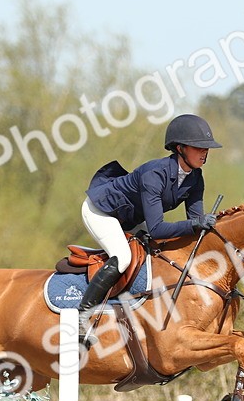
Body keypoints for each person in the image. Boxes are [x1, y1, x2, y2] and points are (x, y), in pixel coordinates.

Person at [76, 114, 222, 341]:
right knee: (123, 257)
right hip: (101, 211)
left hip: (130, 218)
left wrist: (207, 229)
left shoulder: (196, 178)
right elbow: (157, 230)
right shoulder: (154, 174)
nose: (205, 153)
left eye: (207, 148)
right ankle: (82, 318)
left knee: (161, 252)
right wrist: (195, 223)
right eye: (199, 147)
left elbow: (195, 225)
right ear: (180, 148)